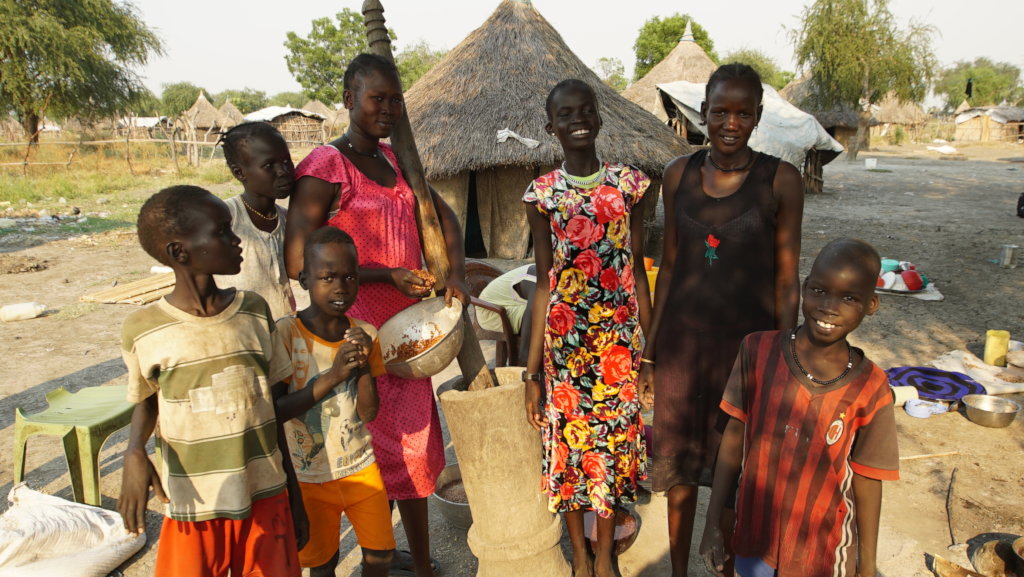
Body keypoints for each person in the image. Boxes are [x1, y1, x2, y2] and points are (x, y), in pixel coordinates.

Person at [284, 53, 467, 577]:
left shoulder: (396, 159)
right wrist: (387, 274)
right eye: (376, 98)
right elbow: (300, 263)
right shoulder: (326, 166)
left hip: (409, 337)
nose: (387, 108)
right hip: (356, 337)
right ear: (348, 99)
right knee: (364, 455)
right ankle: (375, 558)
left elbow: (444, 215)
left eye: (394, 99)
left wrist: (453, 273)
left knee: (411, 455)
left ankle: (420, 563)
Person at [637, 63, 805, 577]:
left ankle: (726, 566)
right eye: (719, 112)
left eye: (742, 113)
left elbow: (786, 280)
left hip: (747, 357)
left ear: (757, 116)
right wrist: (650, 351)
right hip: (683, 353)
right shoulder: (676, 175)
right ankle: (680, 570)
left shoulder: (781, 180)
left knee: (737, 471)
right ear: (702, 112)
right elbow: (667, 269)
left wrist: (783, 357)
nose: (730, 123)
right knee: (681, 468)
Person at [118, 185, 306, 576]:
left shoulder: (253, 312)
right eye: (222, 231)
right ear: (178, 252)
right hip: (194, 504)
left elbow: (272, 408)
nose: (236, 240)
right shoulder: (144, 329)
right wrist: (134, 450)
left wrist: (294, 493)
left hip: (265, 494)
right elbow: (148, 398)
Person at [699, 238, 898, 577]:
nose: (829, 307)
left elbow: (867, 477)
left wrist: (868, 565)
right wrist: (713, 524)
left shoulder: (871, 386)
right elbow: (733, 437)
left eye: (849, 298)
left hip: (823, 549)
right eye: (819, 290)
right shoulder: (758, 351)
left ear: (871, 305)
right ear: (805, 287)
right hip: (754, 534)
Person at [523, 79, 652, 577]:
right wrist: (531, 373)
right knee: (571, 452)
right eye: (565, 113)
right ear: (550, 126)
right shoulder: (543, 194)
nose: (577, 119)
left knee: (612, 450)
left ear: (598, 118)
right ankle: (578, 553)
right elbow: (541, 283)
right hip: (565, 352)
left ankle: (604, 554)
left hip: (617, 348)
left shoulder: (628, 186)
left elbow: (637, 270)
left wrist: (649, 354)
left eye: (585, 111)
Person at [274, 227, 395, 577]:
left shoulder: (366, 333)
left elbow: (369, 412)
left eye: (349, 277)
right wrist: (334, 374)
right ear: (305, 279)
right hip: (309, 476)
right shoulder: (287, 334)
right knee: (323, 564)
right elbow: (277, 410)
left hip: (361, 466)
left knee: (381, 558)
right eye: (327, 277)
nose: (340, 287)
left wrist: (360, 366)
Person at [214, 121, 296, 320]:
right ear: (239, 172)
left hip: (284, 333)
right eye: (269, 165)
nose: (283, 171)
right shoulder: (224, 218)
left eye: (286, 161)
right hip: (239, 332)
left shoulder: (288, 220)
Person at [476, 263, 536, 366]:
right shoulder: (537, 281)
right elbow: (533, 313)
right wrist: (525, 362)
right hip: (490, 311)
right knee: (544, 318)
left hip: (511, 303)